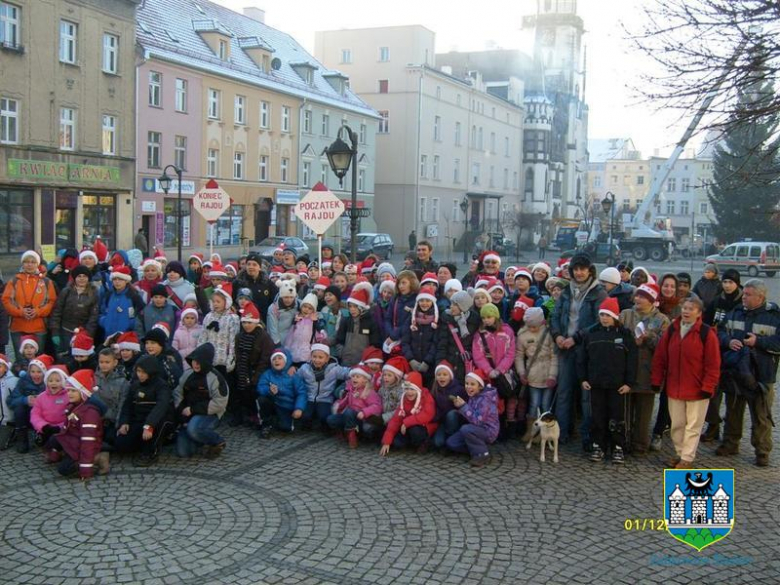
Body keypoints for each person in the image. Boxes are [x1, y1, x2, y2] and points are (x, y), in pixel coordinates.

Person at [651, 295, 720, 469]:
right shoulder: (673, 330)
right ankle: (680, 453)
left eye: (691, 309)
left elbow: (713, 364)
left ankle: (687, 458)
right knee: (677, 424)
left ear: (698, 313)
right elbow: (660, 357)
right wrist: (656, 379)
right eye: (685, 308)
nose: (687, 311)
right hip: (674, 386)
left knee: (693, 426)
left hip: (697, 388)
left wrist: (708, 386)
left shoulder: (706, 333)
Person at [716, 279, 779, 467]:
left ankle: (762, 450)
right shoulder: (735, 312)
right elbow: (719, 332)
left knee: (761, 414)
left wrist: (758, 342)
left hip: (762, 374)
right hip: (736, 372)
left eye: (748, 295)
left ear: (761, 297)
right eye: (744, 294)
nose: (744, 297)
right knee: (733, 409)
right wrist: (728, 341)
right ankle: (730, 443)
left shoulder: (774, 316)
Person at [550, 253, 607, 449]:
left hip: (586, 350)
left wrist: (575, 338)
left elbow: (598, 322)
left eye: (583, 269)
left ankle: (587, 436)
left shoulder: (598, 293)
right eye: (576, 269)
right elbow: (555, 315)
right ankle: (561, 432)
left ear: (589, 270)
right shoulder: (566, 291)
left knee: (586, 396)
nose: (579, 272)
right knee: (564, 391)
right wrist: (557, 335)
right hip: (564, 348)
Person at [577, 298, 637, 464]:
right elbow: (582, 358)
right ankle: (599, 445)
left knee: (617, 417)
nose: (604, 318)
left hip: (618, 385)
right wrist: (583, 378)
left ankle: (618, 446)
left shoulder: (625, 334)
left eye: (608, 315)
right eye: (602, 314)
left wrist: (629, 382)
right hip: (596, 383)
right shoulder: (591, 334)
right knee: (598, 417)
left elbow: (632, 360)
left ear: (615, 317)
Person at [619, 282, 670, 454]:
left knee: (643, 412)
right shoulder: (625, 315)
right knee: (625, 410)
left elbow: (665, 347)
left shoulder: (662, 320)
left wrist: (649, 337)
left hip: (647, 372)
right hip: (626, 370)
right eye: (638, 295)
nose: (638, 298)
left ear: (651, 300)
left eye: (643, 296)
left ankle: (640, 444)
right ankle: (623, 441)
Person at [700, 269, 743, 443]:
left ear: (737, 283)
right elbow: (706, 322)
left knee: (733, 395)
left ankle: (730, 434)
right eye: (725, 282)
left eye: (731, 282)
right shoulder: (717, 300)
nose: (727, 285)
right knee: (713, 393)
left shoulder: (742, 303)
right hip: (715, 351)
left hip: (735, 354)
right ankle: (713, 425)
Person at [46, 370, 109, 479]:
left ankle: (98, 458)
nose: (69, 394)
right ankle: (65, 454)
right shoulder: (74, 405)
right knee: (53, 439)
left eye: (73, 391)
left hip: (83, 444)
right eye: (68, 390)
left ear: (83, 393)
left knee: (64, 470)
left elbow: (88, 441)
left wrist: (85, 470)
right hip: (74, 440)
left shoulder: (90, 413)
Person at [116, 354, 174, 466]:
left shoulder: (161, 386)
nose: (140, 375)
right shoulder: (135, 384)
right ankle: (141, 444)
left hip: (157, 420)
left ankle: (151, 453)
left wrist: (149, 425)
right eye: (138, 371)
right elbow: (128, 405)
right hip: (139, 418)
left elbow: (161, 407)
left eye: (143, 372)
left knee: (155, 432)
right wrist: (124, 422)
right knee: (121, 445)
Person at [173, 343, 229, 459]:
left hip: (209, 414)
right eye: (194, 360)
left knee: (194, 429)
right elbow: (177, 393)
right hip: (187, 414)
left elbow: (220, 403)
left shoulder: (215, 377)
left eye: (199, 361)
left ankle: (217, 441)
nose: (196, 364)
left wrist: (193, 410)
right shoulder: (187, 374)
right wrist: (182, 409)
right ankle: (199, 439)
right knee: (184, 452)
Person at [472, 303, 517, 438]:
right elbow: (478, 354)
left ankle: (504, 428)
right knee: (491, 402)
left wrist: (501, 369)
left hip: (503, 373)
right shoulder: (480, 334)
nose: (486, 320)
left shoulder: (507, 331)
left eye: (489, 317)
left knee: (505, 399)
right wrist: (488, 370)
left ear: (495, 317)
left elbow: (511, 352)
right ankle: (491, 428)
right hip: (488, 374)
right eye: (484, 317)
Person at [2, 250, 57, 356]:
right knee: (20, 359)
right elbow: (6, 300)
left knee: (38, 358)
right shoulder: (14, 281)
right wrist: (20, 312)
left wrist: (38, 311)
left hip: (39, 327)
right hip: (18, 326)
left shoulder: (46, 282)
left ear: (37, 264)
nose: (30, 265)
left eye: (33, 262)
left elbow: (51, 301)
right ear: (22, 264)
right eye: (27, 262)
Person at [515, 307, 558, 442]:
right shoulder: (522, 335)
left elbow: (554, 356)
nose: (532, 329)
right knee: (534, 404)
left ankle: (545, 433)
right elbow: (519, 356)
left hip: (547, 372)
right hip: (532, 374)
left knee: (546, 405)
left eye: (535, 326)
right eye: (530, 326)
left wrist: (553, 375)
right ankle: (531, 431)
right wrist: (521, 373)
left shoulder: (548, 334)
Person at [445, 369, 499, 467]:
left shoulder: (485, 399)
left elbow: (478, 421)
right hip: (474, 429)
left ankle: (483, 454)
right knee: (451, 443)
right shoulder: (474, 395)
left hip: (488, 431)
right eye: (466, 383)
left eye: (472, 384)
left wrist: (463, 406)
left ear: (480, 386)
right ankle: (476, 449)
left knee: (465, 429)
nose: (468, 387)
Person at [232, 302, 274, 427]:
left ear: (256, 322)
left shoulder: (264, 337)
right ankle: (246, 415)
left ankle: (257, 417)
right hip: (243, 369)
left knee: (254, 393)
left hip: (257, 371)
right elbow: (238, 355)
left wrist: (256, 376)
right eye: (244, 322)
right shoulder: (239, 336)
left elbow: (265, 359)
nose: (246, 325)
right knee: (242, 393)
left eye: (249, 322)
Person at [380, 371, 437, 456]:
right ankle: (412, 443)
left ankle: (425, 443)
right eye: (407, 389)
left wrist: (406, 422)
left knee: (415, 431)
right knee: (396, 443)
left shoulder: (426, 397)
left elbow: (427, 414)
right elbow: (395, 420)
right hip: (407, 428)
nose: (409, 392)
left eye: (412, 389)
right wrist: (387, 441)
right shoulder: (404, 399)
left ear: (417, 389)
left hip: (424, 427)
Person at [49, 265, 99, 358]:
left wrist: (88, 333)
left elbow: (94, 316)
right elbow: (57, 311)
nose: (82, 279)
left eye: (84, 276)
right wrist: (55, 331)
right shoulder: (66, 291)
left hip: (83, 332)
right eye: (79, 276)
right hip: (66, 330)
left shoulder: (94, 293)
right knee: (65, 357)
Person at [296, 344, 350, 431]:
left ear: (327, 358)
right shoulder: (305, 368)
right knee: (305, 415)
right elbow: (296, 378)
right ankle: (307, 425)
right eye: (314, 357)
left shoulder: (334, 369)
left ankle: (325, 427)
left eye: (320, 357)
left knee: (324, 416)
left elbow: (346, 373)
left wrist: (357, 371)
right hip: (309, 397)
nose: (317, 360)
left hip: (325, 399)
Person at [327, 364, 382, 448]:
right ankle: (346, 432)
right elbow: (345, 402)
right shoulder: (351, 390)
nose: (354, 378)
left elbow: (377, 406)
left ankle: (352, 436)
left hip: (362, 419)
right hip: (349, 417)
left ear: (365, 380)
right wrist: (338, 406)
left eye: (357, 376)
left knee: (349, 412)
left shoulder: (369, 392)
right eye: (353, 376)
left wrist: (364, 412)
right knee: (331, 419)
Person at [256, 349, 306, 438]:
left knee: (285, 428)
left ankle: (280, 420)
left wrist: (299, 408)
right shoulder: (268, 374)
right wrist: (269, 390)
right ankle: (266, 424)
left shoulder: (293, 375)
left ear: (286, 361)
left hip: (286, 406)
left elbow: (301, 392)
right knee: (262, 400)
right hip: (273, 402)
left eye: (280, 358)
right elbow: (260, 387)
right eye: (274, 359)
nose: (277, 361)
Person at [7, 354, 52, 453]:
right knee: (19, 408)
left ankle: (42, 436)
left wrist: (41, 402)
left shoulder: (50, 383)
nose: (35, 375)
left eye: (39, 372)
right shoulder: (23, 381)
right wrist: (25, 400)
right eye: (32, 372)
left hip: (44, 415)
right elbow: (10, 400)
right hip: (26, 415)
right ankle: (22, 439)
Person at [198, 283, 239, 387]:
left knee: (224, 384)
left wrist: (231, 358)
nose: (215, 304)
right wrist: (199, 355)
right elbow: (203, 337)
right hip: (210, 358)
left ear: (226, 302)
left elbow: (233, 340)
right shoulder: (208, 317)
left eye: (218, 302)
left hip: (224, 360)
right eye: (214, 301)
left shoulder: (232, 318)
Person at [437, 291, 481, 383]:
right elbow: (442, 344)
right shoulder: (446, 319)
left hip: (465, 363)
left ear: (463, 307)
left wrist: (469, 353)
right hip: (450, 362)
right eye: (451, 303)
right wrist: (440, 363)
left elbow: (476, 343)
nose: (451, 306)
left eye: (455, 304)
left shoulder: (474, 321)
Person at [402, 283, 440, 387]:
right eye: (422, 301)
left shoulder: (436, 321)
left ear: (432, 302)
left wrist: (427, 361)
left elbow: (436, 343)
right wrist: (411, 360)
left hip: (429, 366)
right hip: (413, 363)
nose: (424, 303)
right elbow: (405, 341)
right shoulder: (411, 319)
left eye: (427, 301)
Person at [336, 282, 381, 367]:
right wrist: (341, 353)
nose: (352, 309)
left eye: (355, 306)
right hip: (346, 361)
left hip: (362, 363)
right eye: (350, 306)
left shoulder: (371, 322)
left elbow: (374, 344)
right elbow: (339, 339)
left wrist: (367, 358)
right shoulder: (346, 321)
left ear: (362, 307)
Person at [94, 347, 129, 448]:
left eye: (107, 362)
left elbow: (122, 405)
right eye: (101, 362)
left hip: (111, 421)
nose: (104, 365)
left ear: (115, 362)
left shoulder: (122, 382)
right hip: (95, 419)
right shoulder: (93, 378)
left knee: (113, 440)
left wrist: (118, 425)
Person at [429, 361, 467, 450]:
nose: (441, 377)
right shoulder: (434, 390)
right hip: (441, 422)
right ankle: (445, 440)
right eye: (439, 375)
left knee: (452, 414)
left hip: (455, 421)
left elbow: (465, 406)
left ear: (450, 376)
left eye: (445, 374)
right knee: (438, 443)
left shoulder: (459, 389)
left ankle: (452, 437)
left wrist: (459, 406)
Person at [99, 266, 145, 340]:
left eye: (120, 279)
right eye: (114, 279)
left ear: (126, 280)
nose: (117, 282)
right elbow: (102, 311)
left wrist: (131, 324)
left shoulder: (134, 296)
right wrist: (104, 322)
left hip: (127, 336)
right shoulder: (108, 295)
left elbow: (140, 315)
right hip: (109, 336)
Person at [30, 364, 70, 447]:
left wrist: (60, 427)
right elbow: (35, 415)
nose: (53, 383)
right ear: (46, 382)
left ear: (63, 382)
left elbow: (71, 415)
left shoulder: (69, 396)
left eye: (57, 381)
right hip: (46, 428)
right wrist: (43, 426)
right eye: (50, 381)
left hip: (62, 428)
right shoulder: (41, 397)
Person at [232, 253, 276, 322]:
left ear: (260, 267)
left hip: (263, 321)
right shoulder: (238, 283)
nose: (251, 267)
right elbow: (232, 301)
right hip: (243, 321)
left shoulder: (267, 283)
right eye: (248, 264)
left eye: (254, 264)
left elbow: (275, 301)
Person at [267, 278, 300, 345]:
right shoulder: (274, 308)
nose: (288, 300)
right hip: (280, 338)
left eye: (291, 297)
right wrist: (276, 342)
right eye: (286, 297)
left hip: (293, 339)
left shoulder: (298, 304)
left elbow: (308, 307)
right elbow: (272, 327)